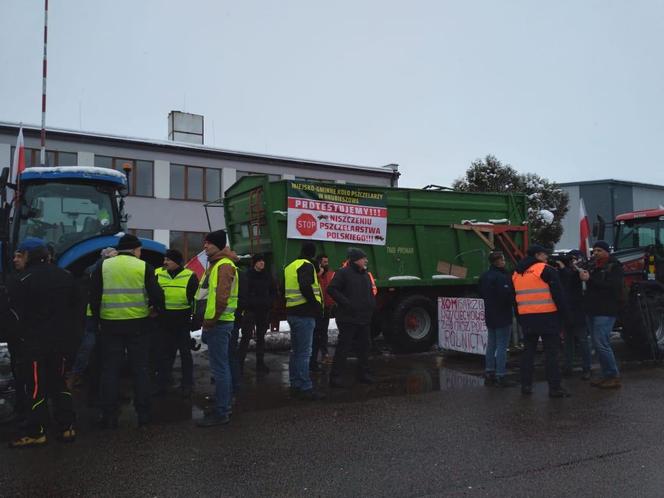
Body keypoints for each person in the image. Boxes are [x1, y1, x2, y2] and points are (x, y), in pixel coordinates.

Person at [7, 238, 77, 448]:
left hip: (34, 343)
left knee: (36, 386)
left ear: (30, 256)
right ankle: (67, 427)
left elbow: (14, 314)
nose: (16, 259)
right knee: (59, 383)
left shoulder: (21, 280)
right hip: (61, 342)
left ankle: (36, 431)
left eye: (21, 254)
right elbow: (75, 309)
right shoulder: (65, 276)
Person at [90, 234, 165, 429]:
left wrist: (98, 320)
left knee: (110, 370)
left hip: (110, 325)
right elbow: (157, 294)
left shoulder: (103, 266)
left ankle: (109, 415)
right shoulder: (143, 266)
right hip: (139, 325)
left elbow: (94, 296)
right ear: (134, 249)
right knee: (140, 370)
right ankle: (144, 415)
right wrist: (156, 311)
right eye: (140, 250)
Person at [513, 244, 571, 398]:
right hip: (548, 317)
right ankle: (555, 388)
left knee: (528, 352)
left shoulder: (517, 273)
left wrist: (520, 316)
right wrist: (565, 316)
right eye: (545, 255)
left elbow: (514, 299)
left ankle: (526, 385)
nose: (547, 258)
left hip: (526, 318)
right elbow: (559, 295)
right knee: (551, 353)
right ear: (538, 255)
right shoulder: (545, 270)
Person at [196, 229, 239, 427]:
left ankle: (222, 411)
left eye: (209, 243)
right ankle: (223, 405)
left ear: (219, 245)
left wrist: (209, 321)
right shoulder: (217, 264)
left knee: (220, 368)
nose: (205, 246)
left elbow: (221, 298)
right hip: (218, 322)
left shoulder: (223, 265)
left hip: (219, 323)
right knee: (221, 367)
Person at [68, 247, 118, 391]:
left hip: (94, 313)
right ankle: (79, 374)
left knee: (89, 345)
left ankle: (78, 375)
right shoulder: (100, 271)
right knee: (92, 345)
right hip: (99, 314)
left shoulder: (91, 270)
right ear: (106, 258)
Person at [328, 248, 376, 388]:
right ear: (356, 259)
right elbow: (332, 289)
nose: (366, 260)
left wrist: (371, 304)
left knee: (365, 347)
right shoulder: (343, 273)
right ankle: (335, 376)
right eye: (363, 258)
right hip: (348, 318)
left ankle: (363, 374)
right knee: (344, 348)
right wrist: (347, 303)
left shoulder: (365, 274)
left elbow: (369, 292)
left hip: (364, 318)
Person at [283, 241, 326, 400]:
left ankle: (295, 383)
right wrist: (315, 305)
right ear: (312, 253)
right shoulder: (307, 265)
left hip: (293, 312)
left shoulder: (290, 266)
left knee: (296, 351)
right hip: (304, 314)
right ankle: (305, 387)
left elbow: (283, 288)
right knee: (304, 352)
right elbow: (305, 286)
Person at [580, 240, 624, 389]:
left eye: (599, 250)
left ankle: (613, 375)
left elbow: (612, 287)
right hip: (592, 309)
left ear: (606, 251)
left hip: (605, 310)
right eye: (594, 251)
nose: (595, 253)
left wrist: (590, 279)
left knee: (602, 343)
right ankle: (606, 374)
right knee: (598, 344)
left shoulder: (614, 266)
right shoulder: (593, 266)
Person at [155, 249, 199, 397]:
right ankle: (163, 382)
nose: (165, 262)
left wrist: (195, 320)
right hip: (163, 320)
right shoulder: (158, 273)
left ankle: (187, 384)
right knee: (163, 354)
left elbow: (196, 299)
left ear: (177, 262)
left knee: (185, 353)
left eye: (168, 260)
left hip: (182, 320)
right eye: (165, 259)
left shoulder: (189, 276)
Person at [479, 251, 517, 387]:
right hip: (502, 314)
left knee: (491, 344)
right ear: (499, 261)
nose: (504, 261)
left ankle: (489, 371)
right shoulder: (502, 277)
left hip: (489, 313)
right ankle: (501, 375)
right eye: (503, 259)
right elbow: (507, 296)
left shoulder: (484, 276)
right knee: (502, 345)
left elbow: (481, 293)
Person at [557, 250, 592, 380]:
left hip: (578, 311)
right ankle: (568, 367)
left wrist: (564, 268)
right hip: (568, 311)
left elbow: (572, 278)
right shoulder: (564, 272)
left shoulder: (581, 271)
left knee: (582, 341)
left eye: (573, 259)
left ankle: (586, 368)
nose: (572, 262)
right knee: (568, 342)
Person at [239, 253, 276, 374]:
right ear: (254, 263)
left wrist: (269, 302)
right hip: (250, 311)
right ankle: (239, 365)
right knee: (246, 337)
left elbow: (273, 291)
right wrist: (249, 303)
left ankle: (260, 364)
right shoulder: (248, 275)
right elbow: (243, 292)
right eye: (259, 261)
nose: (262, 263)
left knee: (261, 338)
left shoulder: (267, 275)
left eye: (263, 261)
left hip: (263, 311)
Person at [311, 254, 334, 372]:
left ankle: (325, 354)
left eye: (327, 262)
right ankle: (313, 358)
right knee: (316, 332)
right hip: (318, 308)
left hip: (327, 307)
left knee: (324, 332)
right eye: (324, 262)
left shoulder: (330, 274)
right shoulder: (315, 274)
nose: (326, 264)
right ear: (319, 263)